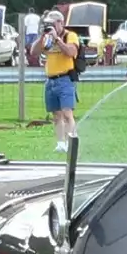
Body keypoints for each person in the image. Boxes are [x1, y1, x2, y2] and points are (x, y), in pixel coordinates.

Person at [35, 9, 80, 151]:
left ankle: (71, 142)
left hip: (65, 79)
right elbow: (34, 52)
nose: (50, 27)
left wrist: (57, 39)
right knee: (56, 115)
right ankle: (60, 143)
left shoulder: (70, 36)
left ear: (60, 22)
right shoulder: (47, 38)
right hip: (51, 80)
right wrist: (41, 37)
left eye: (52, 24)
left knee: (67, 113)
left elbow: (71, 52)